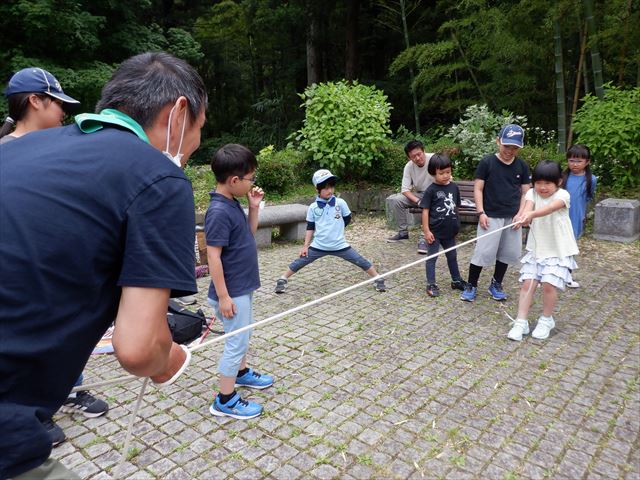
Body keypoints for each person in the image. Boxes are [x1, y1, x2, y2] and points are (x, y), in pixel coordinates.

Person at [0, 51, 207, 480]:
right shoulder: (158, 178)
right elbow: (136, 348)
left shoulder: (17, 149)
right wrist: (170, 359)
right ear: (179, 112)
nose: (195, 145)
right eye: (200, 130)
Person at [1, 67, 109, 448]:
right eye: (58, 103)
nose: (64, 112)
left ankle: (70, 390)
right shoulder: (6, 154)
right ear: (35, 101)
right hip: (22, 273)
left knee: (72, 333)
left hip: (64, 267)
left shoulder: (66, 147)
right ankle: (27, 411)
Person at [206, 144, 274, 420]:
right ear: (234, 181)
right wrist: (223, 296)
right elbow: (213, 257)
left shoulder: (231, 203)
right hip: (231, 293)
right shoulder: (219, 212)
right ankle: (225, 399)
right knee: (236, 343)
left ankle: (242, 374)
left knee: (242, 338)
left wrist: (253, 207)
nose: (252, 183)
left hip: (241, 288)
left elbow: (248, 234)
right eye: (251, 178)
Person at [274, 169, 387, 294]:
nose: (330, 191)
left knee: (359, 260)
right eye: (326, 188)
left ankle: (377, 278)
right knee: (300, 261)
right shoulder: (313, 207)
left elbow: (347, 218)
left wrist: (337, 229)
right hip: (319, 245)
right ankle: (282, 279)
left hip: (340, 245)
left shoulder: (340, 203)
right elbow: (310, 227)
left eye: (331, 187)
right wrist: (305, 246)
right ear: (317, 189)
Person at [507, 160, 579, 341]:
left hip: (558, 249)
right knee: (527, 284)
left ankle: (546, 320)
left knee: (548, 284)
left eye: (547, 183)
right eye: (538, 182)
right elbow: (528, 207)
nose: (542, 187)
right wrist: (523, 216)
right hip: (537, 248)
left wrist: (530, 215)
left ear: (559, 182)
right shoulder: (532, 193)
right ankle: (521, 322)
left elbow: (549, 209)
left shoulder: (563, 195)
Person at [460, 124, 530, 302]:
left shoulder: (522, 166)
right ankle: (471, 284)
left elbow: (526, 193)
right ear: (498, 141)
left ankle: (496, 283)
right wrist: (481, 212)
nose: (510, 151)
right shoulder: (487, 162)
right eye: (507, 146)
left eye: (515, 148)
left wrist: (521, 214)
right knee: (482, 253)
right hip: (490, 216)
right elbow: (478, 189)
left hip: (513, 217)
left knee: (507, 253)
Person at [419, 154, 467, 297]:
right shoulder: (431, 190)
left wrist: (457, 225)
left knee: (452, 256)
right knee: (432, 258)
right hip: (435, 232)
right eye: (441, 173)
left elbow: (456, 208)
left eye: (448, 172)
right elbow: (425, 211)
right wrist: (426, 230)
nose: (446, 175)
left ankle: (456, 280)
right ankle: (431, 284)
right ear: (433, 173)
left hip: (450, 231)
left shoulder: (454, 187)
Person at [386, 140, 434, 253]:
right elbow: (405, 190)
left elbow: (447, 179)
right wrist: (418, 201)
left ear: (423, 151)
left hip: (435, 193)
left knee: (429, 205)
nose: (417, 158)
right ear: (409, 158)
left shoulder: (434, 159)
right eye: (413, 156)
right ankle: (403, 232)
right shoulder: (409, 167)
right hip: (420, 194)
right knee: (397, 200)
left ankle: (425, 237)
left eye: (419, 154)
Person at [562, 144, 597, 288]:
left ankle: (567, 275)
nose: (574, 164)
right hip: (560, 216)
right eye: (571, 160)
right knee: (555, 244)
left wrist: (583, 214)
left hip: (576, 217)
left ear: (587, 162)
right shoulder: (562, 177)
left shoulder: (591, 179)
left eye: (579, 161)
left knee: (570, 247)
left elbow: (588, 197)